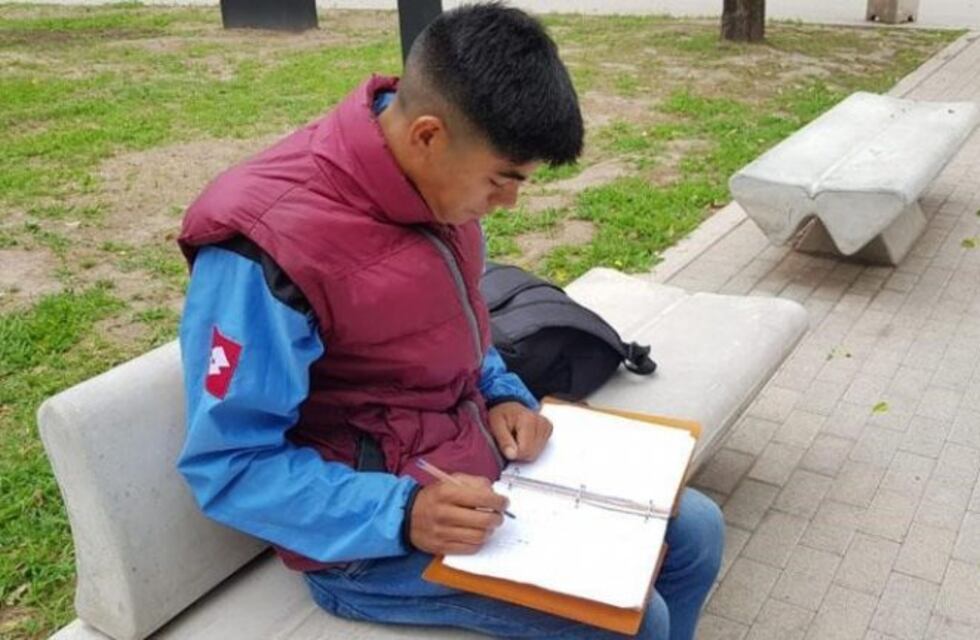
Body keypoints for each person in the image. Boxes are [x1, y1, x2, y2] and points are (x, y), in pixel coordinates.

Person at [176, 3, 723, 639]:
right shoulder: (266, 249)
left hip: (466, 469)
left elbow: (456, 329)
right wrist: (403, 512)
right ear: (428, 136)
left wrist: (501, 393)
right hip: (361, 541)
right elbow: (231, 464)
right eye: (502, 179)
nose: (509, 202)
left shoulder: (433, 185)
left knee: (697, 532)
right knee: (633, 620)